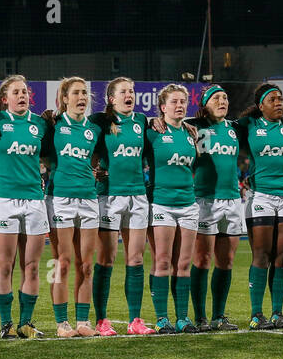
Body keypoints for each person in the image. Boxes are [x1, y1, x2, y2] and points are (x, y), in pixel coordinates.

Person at [0, 75, 50, 339]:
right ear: (5, 98)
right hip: (5, 200)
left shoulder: (41, 124)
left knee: (32, 265)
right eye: (16, 92)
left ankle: (26, 323)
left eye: (24, 91)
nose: (22, 96)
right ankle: (6, 324)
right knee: (5, 265)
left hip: (34, 199)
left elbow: (51, 154)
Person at [91, 77, 156, 335]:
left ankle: (135, 320)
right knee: (106, 259)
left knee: (136, 258)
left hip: (137, 196)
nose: (129, 94)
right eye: (124, 91)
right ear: (111, 98)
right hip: (109, 197)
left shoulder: (141, 121)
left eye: (132, 90)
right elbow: (88, 151)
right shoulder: (100, 122)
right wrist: (94, 169)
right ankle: (101, 320)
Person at [42, 77, 103, 337]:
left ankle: (82, 322)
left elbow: (99, 157)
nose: (82, 97)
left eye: (85, 93)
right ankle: (61, 323)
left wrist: (97, 171)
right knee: (62, 262)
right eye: (76, 93)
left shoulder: (95, 129)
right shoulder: (52, 126)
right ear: (64, 99)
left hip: (89, 199)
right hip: (60, 198)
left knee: (86, 264)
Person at [234, 83, 283, 329]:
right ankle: (256, 314)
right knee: (261, 256)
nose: (278, 103)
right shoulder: (248, 126)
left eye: (280, 99)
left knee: (281, 258)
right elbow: (219, 130)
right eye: (272, 99)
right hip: (260, 196)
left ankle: (277, 313)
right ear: (261, 106)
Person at [144, 84, 201, 333]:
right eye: (174, 102)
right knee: (163, 261)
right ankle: (161, 319)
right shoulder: (152, 132)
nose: (179, 106)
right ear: (163, 107)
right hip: (162, 203)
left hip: (188, 204)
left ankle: (183, 318)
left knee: (184, 263)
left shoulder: (191, 134)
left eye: (183, 102)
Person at [187, 84, 245, 331]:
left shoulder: (233, 129)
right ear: (205, 104)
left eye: (225, 98)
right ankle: (200, 317)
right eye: (216, 98)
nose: (222, 101)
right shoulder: (195, 127)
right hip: (205, 200)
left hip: (232, 200)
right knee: (202, 259)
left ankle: (218, 316)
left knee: (227, 261)